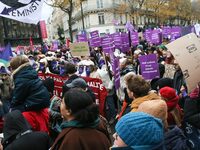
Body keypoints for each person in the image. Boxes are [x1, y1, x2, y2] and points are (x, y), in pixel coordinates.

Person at [10, 55, 50, 133]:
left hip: (32, 104)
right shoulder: (29, 71)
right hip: (39, 102)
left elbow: (17, 97)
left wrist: (11, 110)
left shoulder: (21, 77)